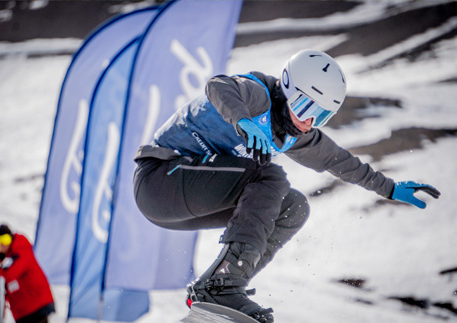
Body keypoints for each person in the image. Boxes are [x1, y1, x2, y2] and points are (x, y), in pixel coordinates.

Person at [132, 49, 441, 322]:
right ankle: (223, 288)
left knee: (293, 207)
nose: (308, 122)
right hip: (159, 179)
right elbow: (218, 86)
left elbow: (342, 161)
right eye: (307, 107)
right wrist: (242, 120)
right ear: (289, 88)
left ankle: (219, 282)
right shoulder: (258, 96)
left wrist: (388, 187)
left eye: (321, 115)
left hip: (182, 205)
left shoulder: (297, 135)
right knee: (269, 176)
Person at [0, 224, 55, 323]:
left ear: (11, 238)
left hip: (36, 307)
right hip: (27, 310)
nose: (3, 244)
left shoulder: (20, 250)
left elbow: (9, 274)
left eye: (5, 240)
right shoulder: (8, 257)